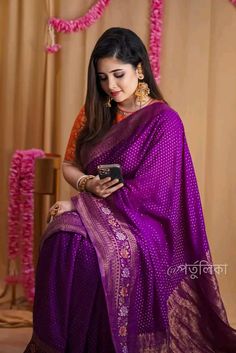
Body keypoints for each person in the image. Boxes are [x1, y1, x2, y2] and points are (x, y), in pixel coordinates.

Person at [24, 27, 236, 353]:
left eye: (118, 74)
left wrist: (78, 204)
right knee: (62, 238)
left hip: (147, 220)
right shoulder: (95, 112)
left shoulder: (164, 120)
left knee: (86, 251)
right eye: (102, 77)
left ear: (139, 69)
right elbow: (70, 164)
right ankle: (61, 345)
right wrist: (86, 184)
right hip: (97, 206)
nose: (111, 85)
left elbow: (154, 191)